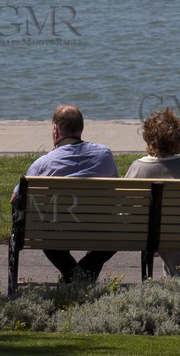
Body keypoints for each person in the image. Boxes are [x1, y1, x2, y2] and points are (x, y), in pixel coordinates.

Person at [12, 104, 118, 283]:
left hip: (57, 233)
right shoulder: (104, 155)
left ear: (55, 130)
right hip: (98, 230)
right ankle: (84, 271)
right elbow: (114, 191)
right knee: (115, 230)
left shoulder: (43, 163)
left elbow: (16, 199)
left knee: (43, 226)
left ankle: (71, 273)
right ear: (81, 128)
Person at [124, 108, 180, 277]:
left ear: (148, 138)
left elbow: (125, 205)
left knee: (160, 232)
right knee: (175, 233)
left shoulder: (138, 167)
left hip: (145, 234)